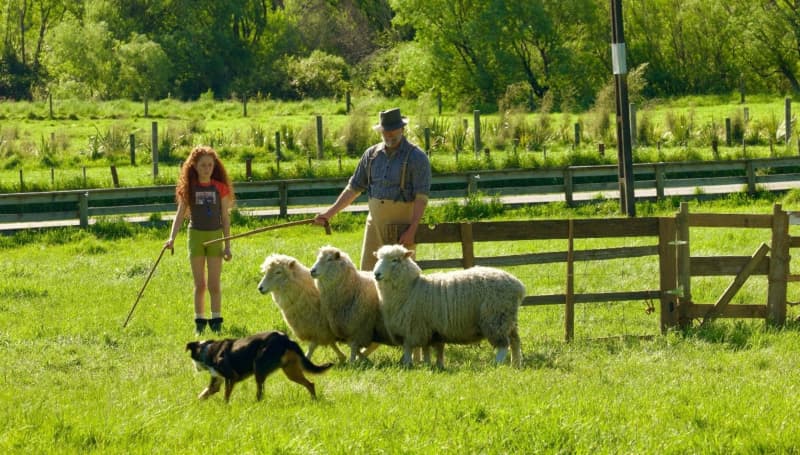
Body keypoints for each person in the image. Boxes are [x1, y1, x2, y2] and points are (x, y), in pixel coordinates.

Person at [314, 107, 431, 271]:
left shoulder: (417, 157)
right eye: (385, 131)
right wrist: (329, 214)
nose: (389, 134)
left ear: (402, 129)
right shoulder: (371, 155)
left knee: (399, 275)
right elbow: (353, 188)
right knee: (369, 273)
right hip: (374, 223)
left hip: (402, 226)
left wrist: (412, 229)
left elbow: (421, 197)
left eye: (393, 130)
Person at [165, 146, 235, 335]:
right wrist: (171, 238)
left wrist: (227, 246)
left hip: (214, 237)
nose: (207, 169)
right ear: (194, 166)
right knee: (200, 285)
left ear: (214, 166)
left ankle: (216, 321)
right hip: (195, 236)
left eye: (210, 165)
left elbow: (225, 218)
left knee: (213, 284)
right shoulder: (190, 188)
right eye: (203, 165)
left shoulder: (220, 188)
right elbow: (180, 215)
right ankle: (200, 322)